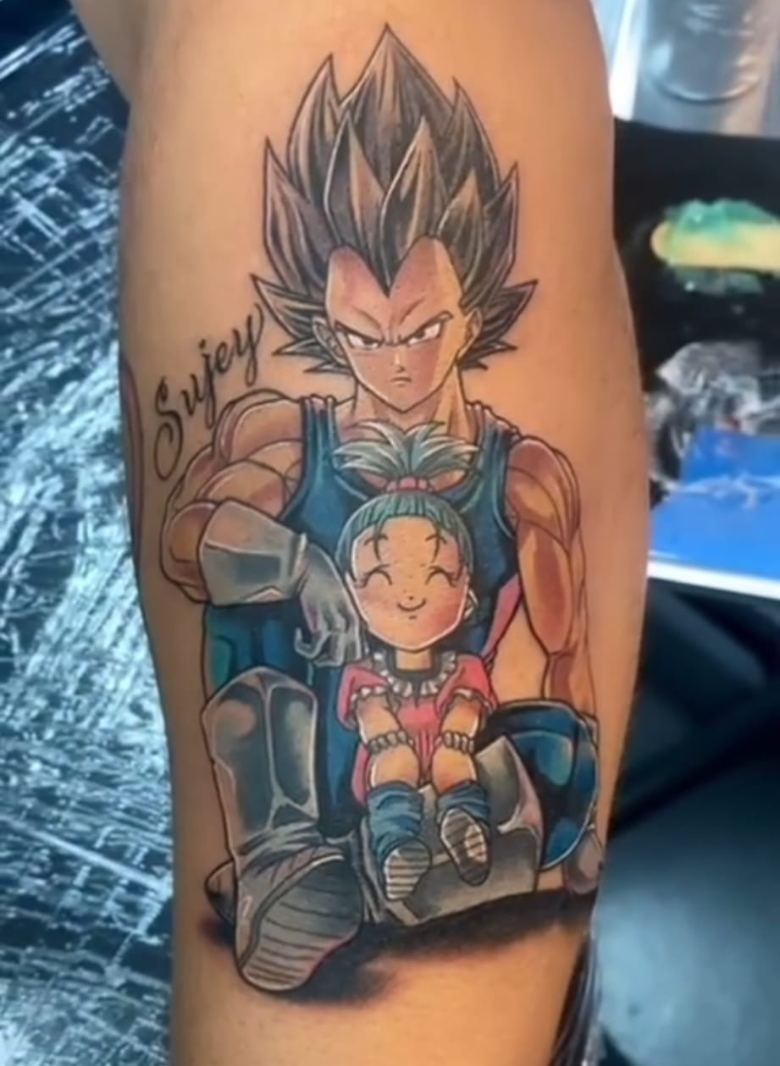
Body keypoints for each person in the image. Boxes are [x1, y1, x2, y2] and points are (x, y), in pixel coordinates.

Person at [72, 1, 648, 1064]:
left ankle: (465, 851)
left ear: (474, 310)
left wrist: (558, 810)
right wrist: (297, 562)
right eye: (363, 337)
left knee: (544, 749)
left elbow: (568, 659)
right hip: (311, 780)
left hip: (454, 759)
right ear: (323, 323)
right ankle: (298, 871)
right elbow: (190, 542)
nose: (396, 363)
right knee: (263, 688)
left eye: (423, 329)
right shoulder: (283, 436)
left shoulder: (521, 473)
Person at [334, 422, 498, 896]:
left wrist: (458, 729)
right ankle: (397, 845)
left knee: (454, 761)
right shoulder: (364, 673)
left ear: (467, 594)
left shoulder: (464, 669)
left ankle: (464, 824)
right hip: (389, 763)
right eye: (381, 576)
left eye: (436, 575)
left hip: (448, 750)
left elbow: (467, 708)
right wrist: (385, 734)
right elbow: (372, 715)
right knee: (395, 759)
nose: (410, 594)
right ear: (351, 595)